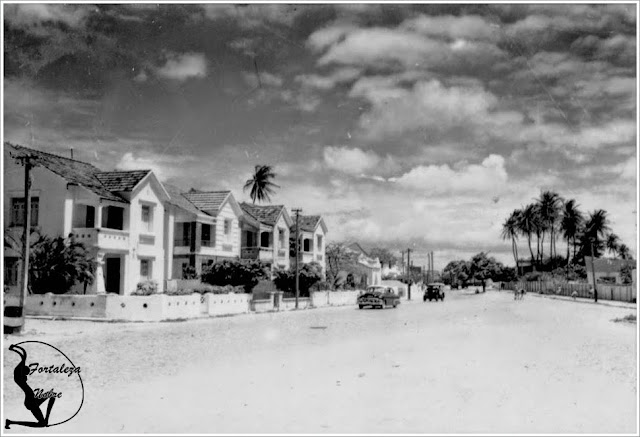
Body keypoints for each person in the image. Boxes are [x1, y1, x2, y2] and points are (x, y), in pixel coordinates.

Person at [5, 344, 57, 429]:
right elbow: (24, 354)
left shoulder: (19, 375)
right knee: (42, 424)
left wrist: (14, 348)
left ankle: (46, 419)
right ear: (24, 370)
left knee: (52, 394)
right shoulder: (19, 373)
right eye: (27, 373)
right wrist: (14, 348)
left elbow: (23, 354)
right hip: (31, 402)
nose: (27, 376)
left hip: (33, 400)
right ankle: (11, 422)